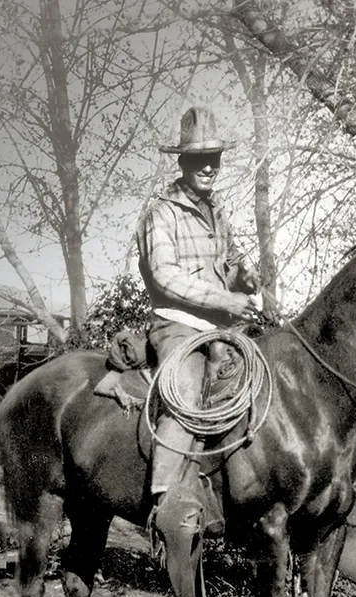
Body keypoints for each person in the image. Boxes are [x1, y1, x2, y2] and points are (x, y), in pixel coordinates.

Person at [135, 106, 261, 545]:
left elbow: (229, 263)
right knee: (185, 392)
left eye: (215, 158)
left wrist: (244, 277)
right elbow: (165, 276)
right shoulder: (161, 214)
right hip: (177, 325)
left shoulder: (217, 212)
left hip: (220, 329)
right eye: (199, 159)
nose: (209, 167)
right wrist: (226, 299)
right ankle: (166, 502)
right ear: (183, 162)